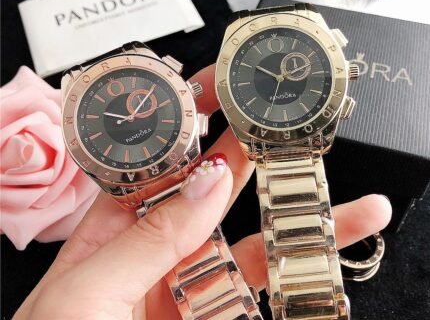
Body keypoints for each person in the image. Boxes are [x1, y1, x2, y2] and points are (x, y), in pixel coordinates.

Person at [14, 65, 392, 320]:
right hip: (142, 188)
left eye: (136, 111)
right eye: (123, 120)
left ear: (193, 115)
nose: (130, 119)